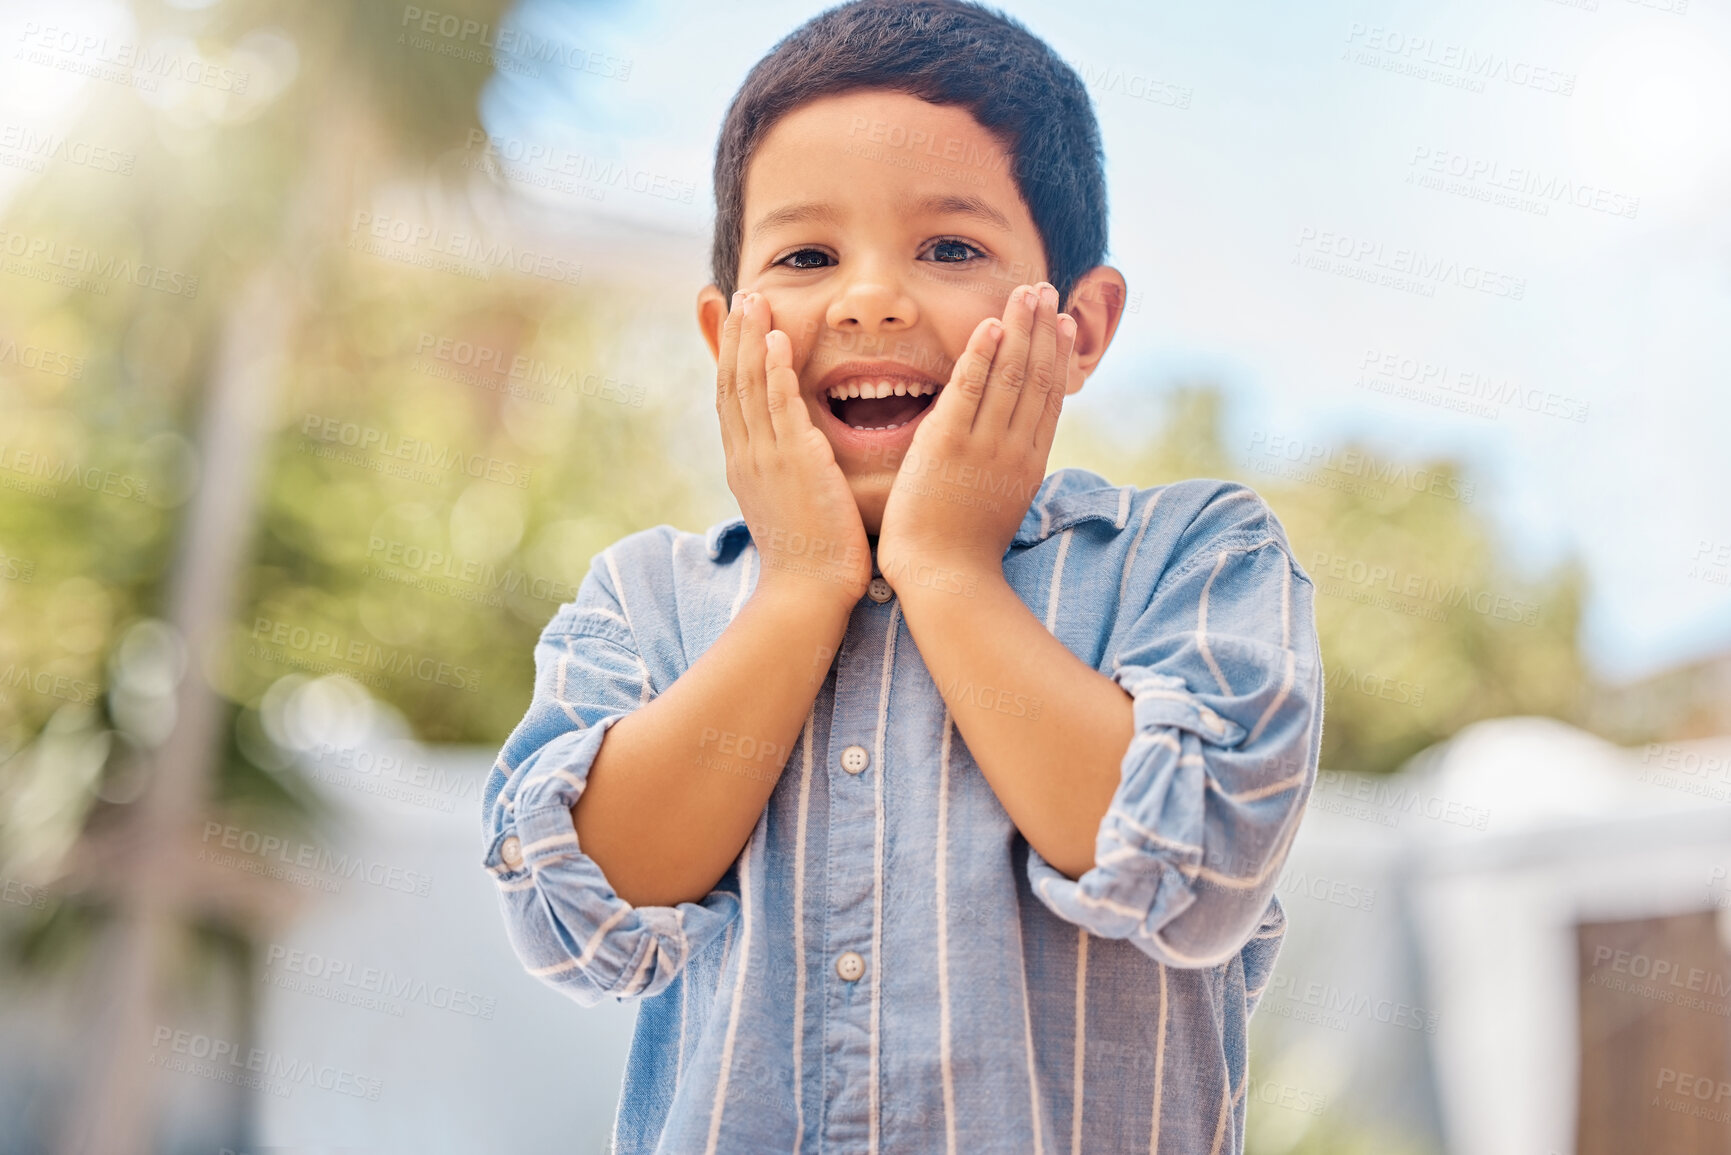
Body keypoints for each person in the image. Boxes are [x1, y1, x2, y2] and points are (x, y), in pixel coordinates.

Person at [480, 2, 1323, 1151]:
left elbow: (1197, 863)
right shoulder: (645, 601)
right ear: (725, 333)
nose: (870, 299)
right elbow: (574, 908)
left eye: (950, 249)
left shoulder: (1196, 556)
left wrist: (947, 568)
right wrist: (798, 589)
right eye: (808, 255)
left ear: (1080, 324)